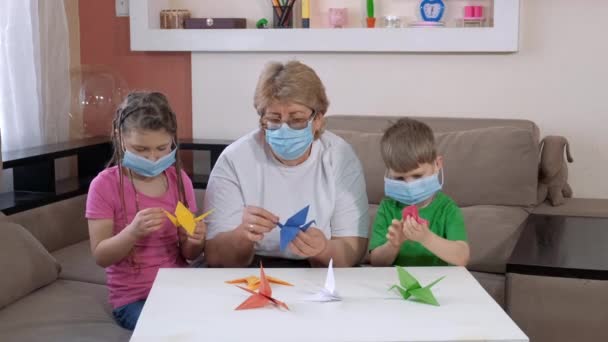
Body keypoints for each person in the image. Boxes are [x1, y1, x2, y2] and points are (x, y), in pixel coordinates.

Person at [203, 61, 369, 268]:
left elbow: (354, 250)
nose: (284, 128)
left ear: (317, 119)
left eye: (296, 119)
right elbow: (215, 257)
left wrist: (323, 249)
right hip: (253, 268)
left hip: (317, 269)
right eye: (274, 119)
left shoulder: (339, 157)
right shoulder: (234, 159)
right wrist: (242, 236)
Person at [86, 92, 206, 330]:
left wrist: (195, 239)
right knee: (172, 329)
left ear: (172, 140)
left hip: (180, 287)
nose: (153, 158)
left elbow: (190, 253)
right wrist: (133, 232)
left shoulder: (179, 180)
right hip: (134, 299)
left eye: (162, 148)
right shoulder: (104, 186)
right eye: (141, 149)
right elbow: (101, 256)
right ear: (120, 139)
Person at [369, 118, 470, 267]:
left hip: (437, 286)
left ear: (437, 164)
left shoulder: (447, 208)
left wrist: (426, 238)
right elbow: (376, 262)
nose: (409, 185)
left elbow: (462, 258)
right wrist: (393, 245)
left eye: (417, 176)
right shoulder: (387, 208)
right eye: (399, 178)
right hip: (396, 284)